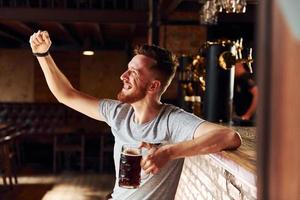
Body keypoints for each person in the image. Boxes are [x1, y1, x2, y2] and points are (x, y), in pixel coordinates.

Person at [29, 30, 241, 200]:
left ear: (153, 86)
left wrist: (168, 152)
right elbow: (66, 95)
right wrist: (43, 55)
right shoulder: (117, 113)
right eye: (127, 69)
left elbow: (229, 137)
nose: (123, 76)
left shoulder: (172, 120)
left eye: (133, 73)